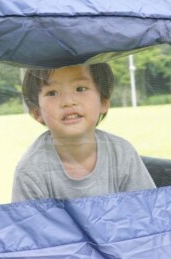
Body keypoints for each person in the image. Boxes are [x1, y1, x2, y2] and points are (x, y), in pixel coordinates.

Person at [12, 63, 155, 202]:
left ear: (103, 102)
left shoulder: (122, 153)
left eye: (80, 89)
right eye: (52, 93)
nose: (68, 101)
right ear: (37, 112)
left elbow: (148, 212)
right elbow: (29, 224)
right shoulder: (30, 170)